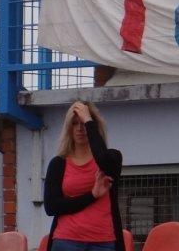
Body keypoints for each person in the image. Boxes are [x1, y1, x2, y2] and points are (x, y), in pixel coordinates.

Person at [43, 101, 124, 251]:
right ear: (68, 128)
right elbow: (51, 207)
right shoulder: (58, 163)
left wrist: (89, 120)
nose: (80, 129)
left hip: (104, 242)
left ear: (94, 126)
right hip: (67, 241)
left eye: (84, 124)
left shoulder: (112, 157)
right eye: (74, 124)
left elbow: (103, 159)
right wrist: (92, 195)